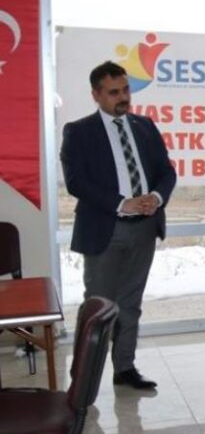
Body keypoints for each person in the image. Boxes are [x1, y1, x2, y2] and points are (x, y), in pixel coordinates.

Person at [60, 61, 177, 391]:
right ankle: (84, 378)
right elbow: (76, 181)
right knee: (98, 307)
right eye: (114, 92)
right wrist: (121, 203)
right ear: (96, 95)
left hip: (144, 228)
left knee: (131, 304)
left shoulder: (144, 126)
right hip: (105, 229)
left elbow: (166, 172)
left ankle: (124, 368)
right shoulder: (79, 131)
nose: (123, 97)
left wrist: (156, 197)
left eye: (126, 90)